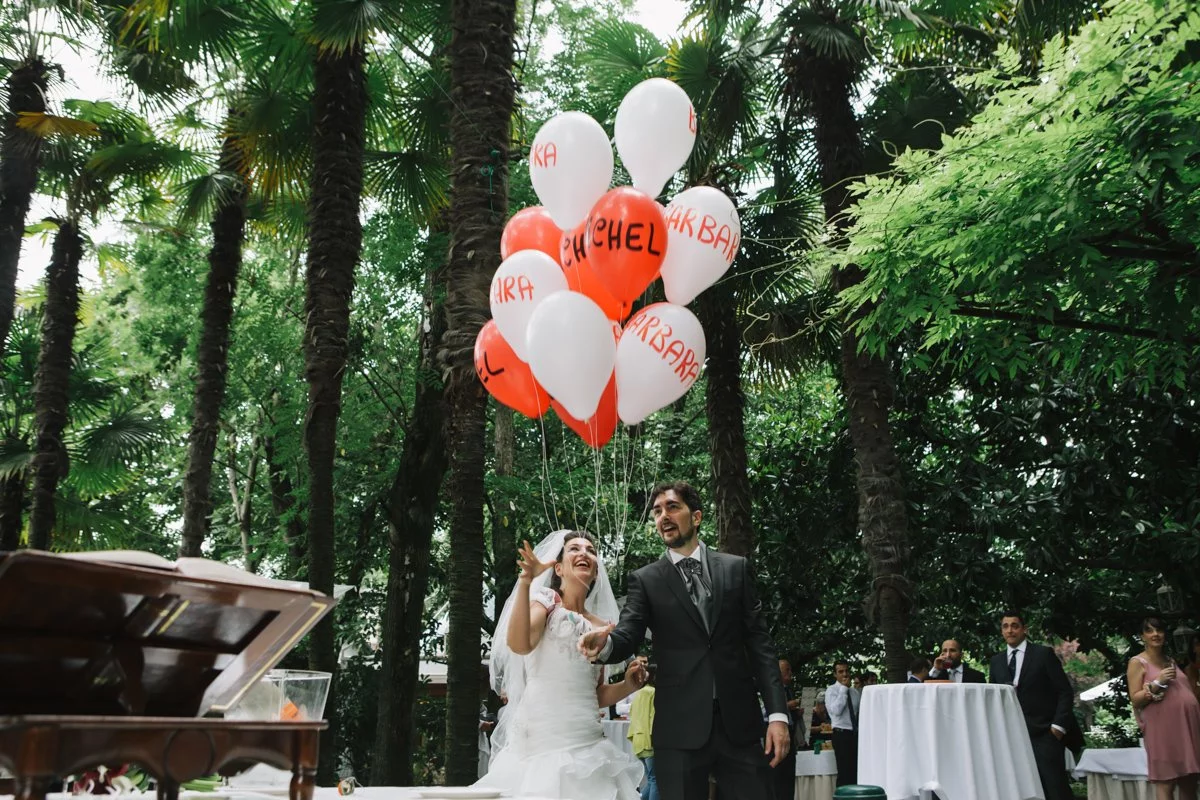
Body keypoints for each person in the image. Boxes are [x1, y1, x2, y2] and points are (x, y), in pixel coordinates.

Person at [579, 481, 790, 800]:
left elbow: (760, 646)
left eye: (672, 507)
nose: (663, 515)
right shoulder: (646, 580)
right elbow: (628, 632)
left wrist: (777, 715)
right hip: (677, 728)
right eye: (657, 510)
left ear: (697, 516)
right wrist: (604, 647)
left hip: (739, 725)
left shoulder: (736, 569)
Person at [479, 530, 646, 799]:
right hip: (543, 739)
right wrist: (526, 581)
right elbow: (520, 644)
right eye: (574, 549)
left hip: (589, 740)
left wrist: (628, 685)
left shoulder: (602, 627)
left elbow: (596, 692)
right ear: (558, 567)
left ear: (595, 571)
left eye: (591, 550)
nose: (584, 553)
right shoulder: (546, 602)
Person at [989, 610, 1081, 800]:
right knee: (1021, 789)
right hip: (1011, 736)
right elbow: (994, 698)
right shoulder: (996, 661)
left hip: (1044, 733)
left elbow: (1064, 691)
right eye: (1005, 626)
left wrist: (1057, 727)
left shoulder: (1042, 654)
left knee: (1055, 788)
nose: (1010, 630)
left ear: (1024, 629)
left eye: (1015, 625)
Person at [1126, 616, 1200, 800]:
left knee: (1190, 778)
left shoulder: (1170, 661)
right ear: (1142, 636)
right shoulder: (1137, 662)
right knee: (1166, 780)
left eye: (1159, 630)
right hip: (1162, 730)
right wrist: (1158, 682)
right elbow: (1135, 699)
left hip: (1187, 728)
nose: (1155, 634)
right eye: (1149, 631)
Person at [628, 656, 660, 800]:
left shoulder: (639, 693)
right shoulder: (653, 693)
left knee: (652, 780)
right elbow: (654, 718)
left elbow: (632, 715)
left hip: (638, 742)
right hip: (649, 741)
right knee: (655, 781)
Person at [825, 660, 860, 786]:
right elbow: (836, 711)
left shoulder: (855, 692)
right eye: (840, 672)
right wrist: (843, 689)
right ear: (835, 674)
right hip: (841, 734)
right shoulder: (831, 691)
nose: (845, 674)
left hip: (854, 735)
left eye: (846, 671)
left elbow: (857, 714)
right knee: (844, 773)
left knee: (855, 772)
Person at [771, 659, 800, 800]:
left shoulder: (789, 690)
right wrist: (787, 705)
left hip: (789, 738)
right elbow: (764, 711)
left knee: (789, 779)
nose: (790, 673)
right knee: (778, 778)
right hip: (776, 739)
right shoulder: (771, 690)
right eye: (787, 670)